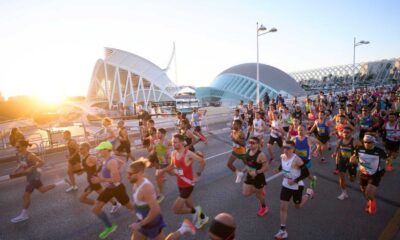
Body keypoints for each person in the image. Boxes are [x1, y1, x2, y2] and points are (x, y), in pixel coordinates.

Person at [158, 134, 209, 229]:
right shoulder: (173, 153)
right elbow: (172, 167)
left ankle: (197, 211)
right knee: (189, 205)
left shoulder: (188, 153)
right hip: (180, 184)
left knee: (176, 209)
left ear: (181, 142)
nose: (173, 144)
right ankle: (203, 218)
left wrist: (197, 174)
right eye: (172, 142)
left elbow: (202, 161)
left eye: (175, 142)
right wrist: (162, 171)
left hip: (188, 185)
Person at [91, 141, 134, 239]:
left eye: (101, 150)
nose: (99, 151)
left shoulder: (111, 161)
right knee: (96, 209)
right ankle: (110, 227)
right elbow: (122, 162)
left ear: (107, 150)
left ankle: (145, 215)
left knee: (130, 206)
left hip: (118, 189)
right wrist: (113, 171)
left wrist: (100, 179)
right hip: (110, 189)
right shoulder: (107, 159)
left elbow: (117, 179)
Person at [274, 140, 314, 240]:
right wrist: (278, 169)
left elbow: (305, 173)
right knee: (283, 207)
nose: (286, 150)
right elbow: (283, 165)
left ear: (293, 149)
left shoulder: (297, 160)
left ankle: (308, 194)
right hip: (286, 185)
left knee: (298, 205)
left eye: (288, 148)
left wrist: (295, 180)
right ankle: (283, 230)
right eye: (284, 147)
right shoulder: (283, 156)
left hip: (297, 186)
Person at [11, 140, 56, 223]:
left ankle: (24, 215)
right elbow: (21, 163)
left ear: (24, 147)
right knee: (43, 190)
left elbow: (42, 162)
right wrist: (16, 169)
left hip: (35, 176)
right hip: (29, 176)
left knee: (26, 195)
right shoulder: (18, 154)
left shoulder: (30, 155)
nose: (16, 148)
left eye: (18, 146)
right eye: (16, 146)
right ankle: (60, 183)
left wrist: (32, 168)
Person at [128, 159, 167, 240]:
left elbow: (156, 210)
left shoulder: (146, 188)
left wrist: (140, 224)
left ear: (139, 173)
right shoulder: (136, 184)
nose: (127, 176)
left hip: (152, 222)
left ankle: (183, 229)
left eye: (130, 174)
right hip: (143, 220)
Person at [350, 134, 388, 214]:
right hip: (363, 174)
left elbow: (389, 159)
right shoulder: (359, 149)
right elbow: (354, 158)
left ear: (374, 142)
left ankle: (372, 202)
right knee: (363, 191)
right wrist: (352, 159)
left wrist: (385, 169)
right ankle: (369, 201)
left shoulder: (379, 151)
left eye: (369, 142)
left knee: (368, 193)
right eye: (365, 142)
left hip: (374, 175)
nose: (367, 144)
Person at [78, 142, 121, 213]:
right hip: (91, 182)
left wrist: (96, 173)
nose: (80, 150)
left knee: (82, 198)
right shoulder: (84, 158)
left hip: (94, 181)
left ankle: (100, 205)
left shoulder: (90, 157)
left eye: (81, 148)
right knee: (103, 194)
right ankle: (114, 204)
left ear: (86, 149)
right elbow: (88, 168)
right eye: (79, 149)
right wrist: (81, 171)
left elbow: (101, 164)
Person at [243, 137, 269, 216]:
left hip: (258, 178)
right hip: (249, 175)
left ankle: (264, 208)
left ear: (257, 145)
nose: (250, 144)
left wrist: (257, 172)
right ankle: (260, 190)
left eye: (253, 143)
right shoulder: (247, 151)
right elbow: (247, 164)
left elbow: (266, 167)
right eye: (250, 142)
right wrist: (243, 171)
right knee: (245, 193)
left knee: (259, 195)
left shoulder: (261, 155)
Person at [335, 127, 361, 200]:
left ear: (351, 133)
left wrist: (356, 156)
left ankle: (354, 174)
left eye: (347, 132)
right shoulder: (339, 141)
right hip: (342, 160)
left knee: (352, 179)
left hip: (352, 162)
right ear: (342, 133)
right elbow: (337, 152)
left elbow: (363, 150)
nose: (345, 134)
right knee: (341, 176)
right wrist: (337, 164)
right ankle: (344, 193)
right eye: (344, 132)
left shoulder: (355, 141)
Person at [227, 119, 247, 183]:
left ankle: (255, 174)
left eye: (234, 124)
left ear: (238, 125)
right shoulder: (233, 131)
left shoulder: (241, 133)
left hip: (242, 152)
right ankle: (238, 173)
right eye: (233, 124)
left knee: (249, 166)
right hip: (235, 151)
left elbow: (244, 144)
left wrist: (235, 140)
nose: (233, 125)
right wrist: (232, 138)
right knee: (229, 164)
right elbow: (233, 139)